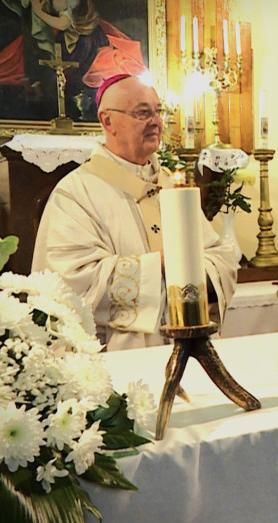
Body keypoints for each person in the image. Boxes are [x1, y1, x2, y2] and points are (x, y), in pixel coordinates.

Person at [32, 74, 239, 351]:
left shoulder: (170, 186)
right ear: (108, 121)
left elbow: (220, 256)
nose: (155, 121)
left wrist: (194, 270)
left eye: (158, 111)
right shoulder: (76, 194)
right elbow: (70, 282)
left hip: (190, 346)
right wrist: (163, 265)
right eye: (142, 113)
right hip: (118, 353)